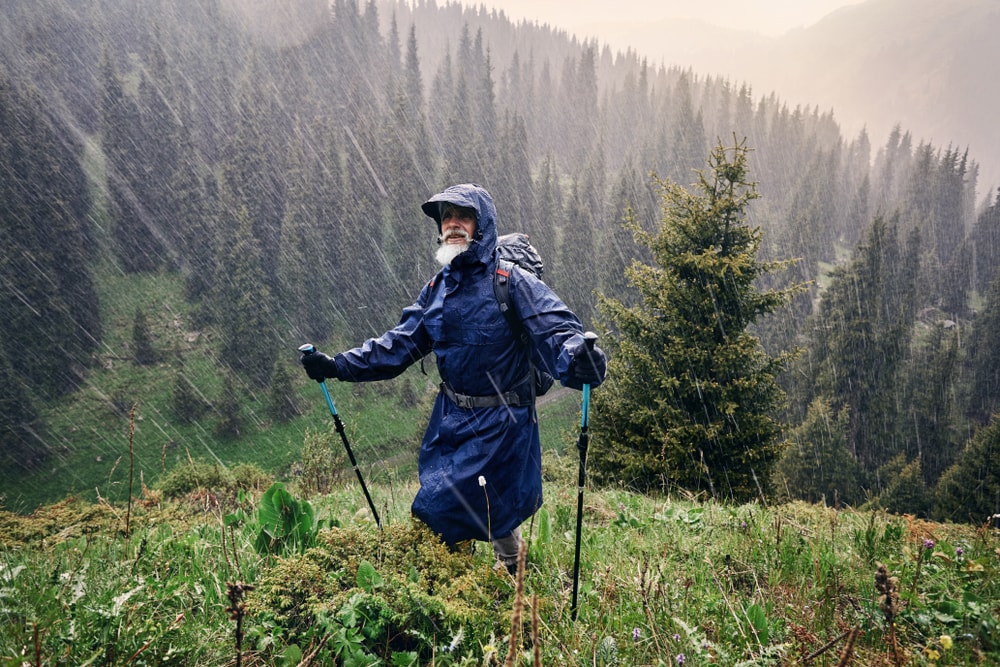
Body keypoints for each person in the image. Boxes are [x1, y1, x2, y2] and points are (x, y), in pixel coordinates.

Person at [300, 183, 607, 573]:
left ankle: (499, 576)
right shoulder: (437, 290)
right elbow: (397, 346)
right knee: (442, 508)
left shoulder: (511, 282)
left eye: (463, 216)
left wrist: (580, 358)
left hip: (503, 423)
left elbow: (557, 331)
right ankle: (464, 581)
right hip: (451, 421)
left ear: (483, 225)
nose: (453, 224)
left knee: (487, 509)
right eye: (446, 217)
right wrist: (338, 365)